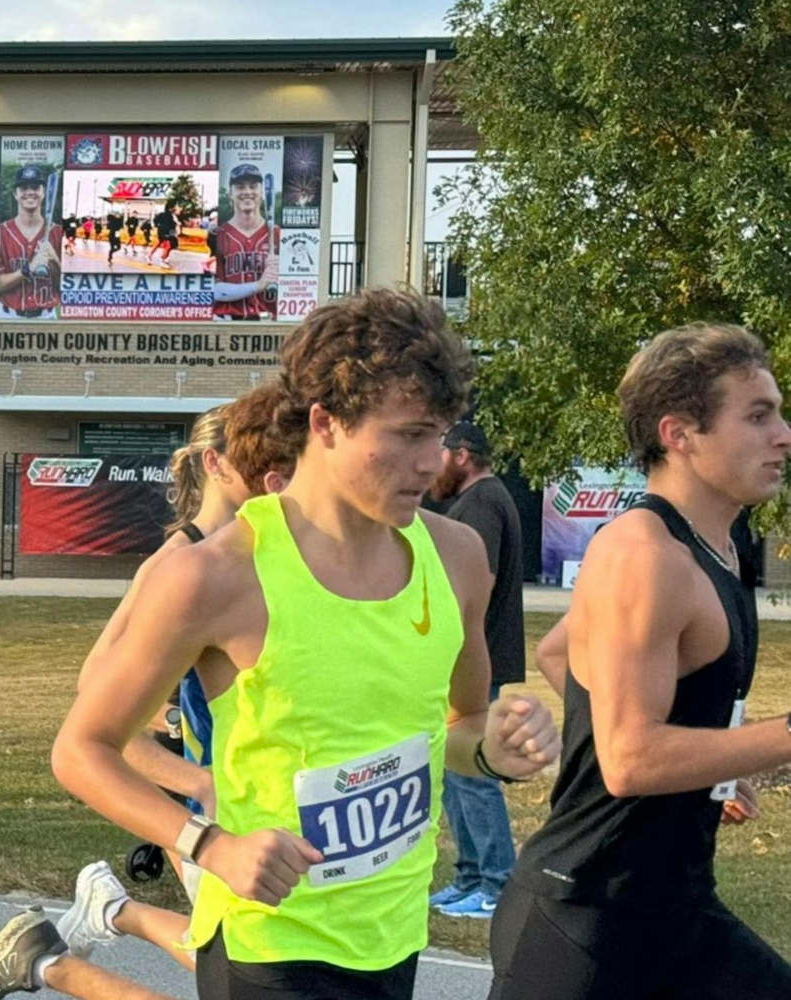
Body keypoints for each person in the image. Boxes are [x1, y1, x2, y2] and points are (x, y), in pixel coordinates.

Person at [53, 289, 560, 1000]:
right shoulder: (218, 575)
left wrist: (496, 749)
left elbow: (459, 728)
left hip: (392, 932)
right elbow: (82, 750)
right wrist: (211, 846)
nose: (431, 462)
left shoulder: (457, 557)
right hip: (271, 944)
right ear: (325, 423)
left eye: (439, 435)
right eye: (408, 434)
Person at [488, 323, 791, 999]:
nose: (784, 435)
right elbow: (628, 761)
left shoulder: (719, 547)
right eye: (758, 415)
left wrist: (709, 765)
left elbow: (562, 649)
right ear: (680, 433)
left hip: (674, 914)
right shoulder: (643, 555)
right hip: (585, 923)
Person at [0, 385, 300, 1000]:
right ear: (214, 464)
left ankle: (96, 922)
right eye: (252, 461)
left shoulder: (263, 557)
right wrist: (193, 782)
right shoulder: (179, 563)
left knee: (251, 971)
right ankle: (64, 953)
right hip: (215, 809)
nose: (269, 475)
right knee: (246, 974)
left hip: (264, 802)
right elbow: (93, 687)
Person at [425, 420, 524, 920]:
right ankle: (469, 876)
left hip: (475, 658)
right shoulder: (477, 499)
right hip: (469, 657)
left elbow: (475, 585)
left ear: (461, 455)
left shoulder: (482, 503)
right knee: (454, 771)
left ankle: (496, 882)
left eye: (437, 450)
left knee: (473, 775)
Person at [211, 163, 279, 322]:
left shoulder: (278, 234)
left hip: (268, 323)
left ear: (262, 192)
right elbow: (213, 290)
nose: (247, 192)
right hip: (227, 321)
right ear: (230, 193)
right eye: (240, 187)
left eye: (253, 186)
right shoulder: (218, 235)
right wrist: (258, 285)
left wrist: (282, 273)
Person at [0, 166, 61, 318]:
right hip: (8, 317)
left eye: (35, 187)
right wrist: (27, 270)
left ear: (44, 192)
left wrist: (55, 261)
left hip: (46, 317)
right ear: (15, 194)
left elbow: (69, 288)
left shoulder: (58, 232)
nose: (30, 192)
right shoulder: (0, 232)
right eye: (23, 187)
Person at [154, 200, 180, 269]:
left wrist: (175, 233)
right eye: (174, 207)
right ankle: (162, 261)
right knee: (167, 246)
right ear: (170, 208)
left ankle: (165, 258)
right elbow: (156, 221)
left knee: (171, 246)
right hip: (164, 232)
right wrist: (159, 226)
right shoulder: (164, 214)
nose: (176, 208)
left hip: (170, 232)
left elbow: (173, 225)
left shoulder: (172, 216)